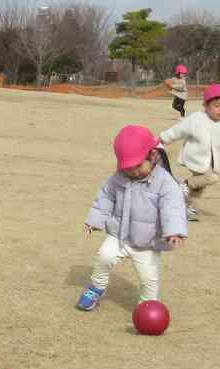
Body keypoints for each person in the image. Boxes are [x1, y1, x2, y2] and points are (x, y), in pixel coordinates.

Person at [76, 126, 186, 311]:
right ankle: (96, 287)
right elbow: (106, 196)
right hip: (119, 234)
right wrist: (95, 220)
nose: (132, 172)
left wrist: (174, 231)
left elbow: (173, 208)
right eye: (127, 168)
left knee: (148, 277)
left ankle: (148, 304)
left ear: (153, 156)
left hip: (147, 241)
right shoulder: (119, 177)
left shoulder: (165, 183)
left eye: (137, 166)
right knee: (104, 257)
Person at [160, 83, 220, 219]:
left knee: (199, 187)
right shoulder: (196, 119)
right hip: (196, 158)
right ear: (205, 105)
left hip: (212, 162)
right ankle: (183, 185)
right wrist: (163, 138)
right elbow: (178, 130)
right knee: (211, 178)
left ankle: (187, 206)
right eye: (217, 106)